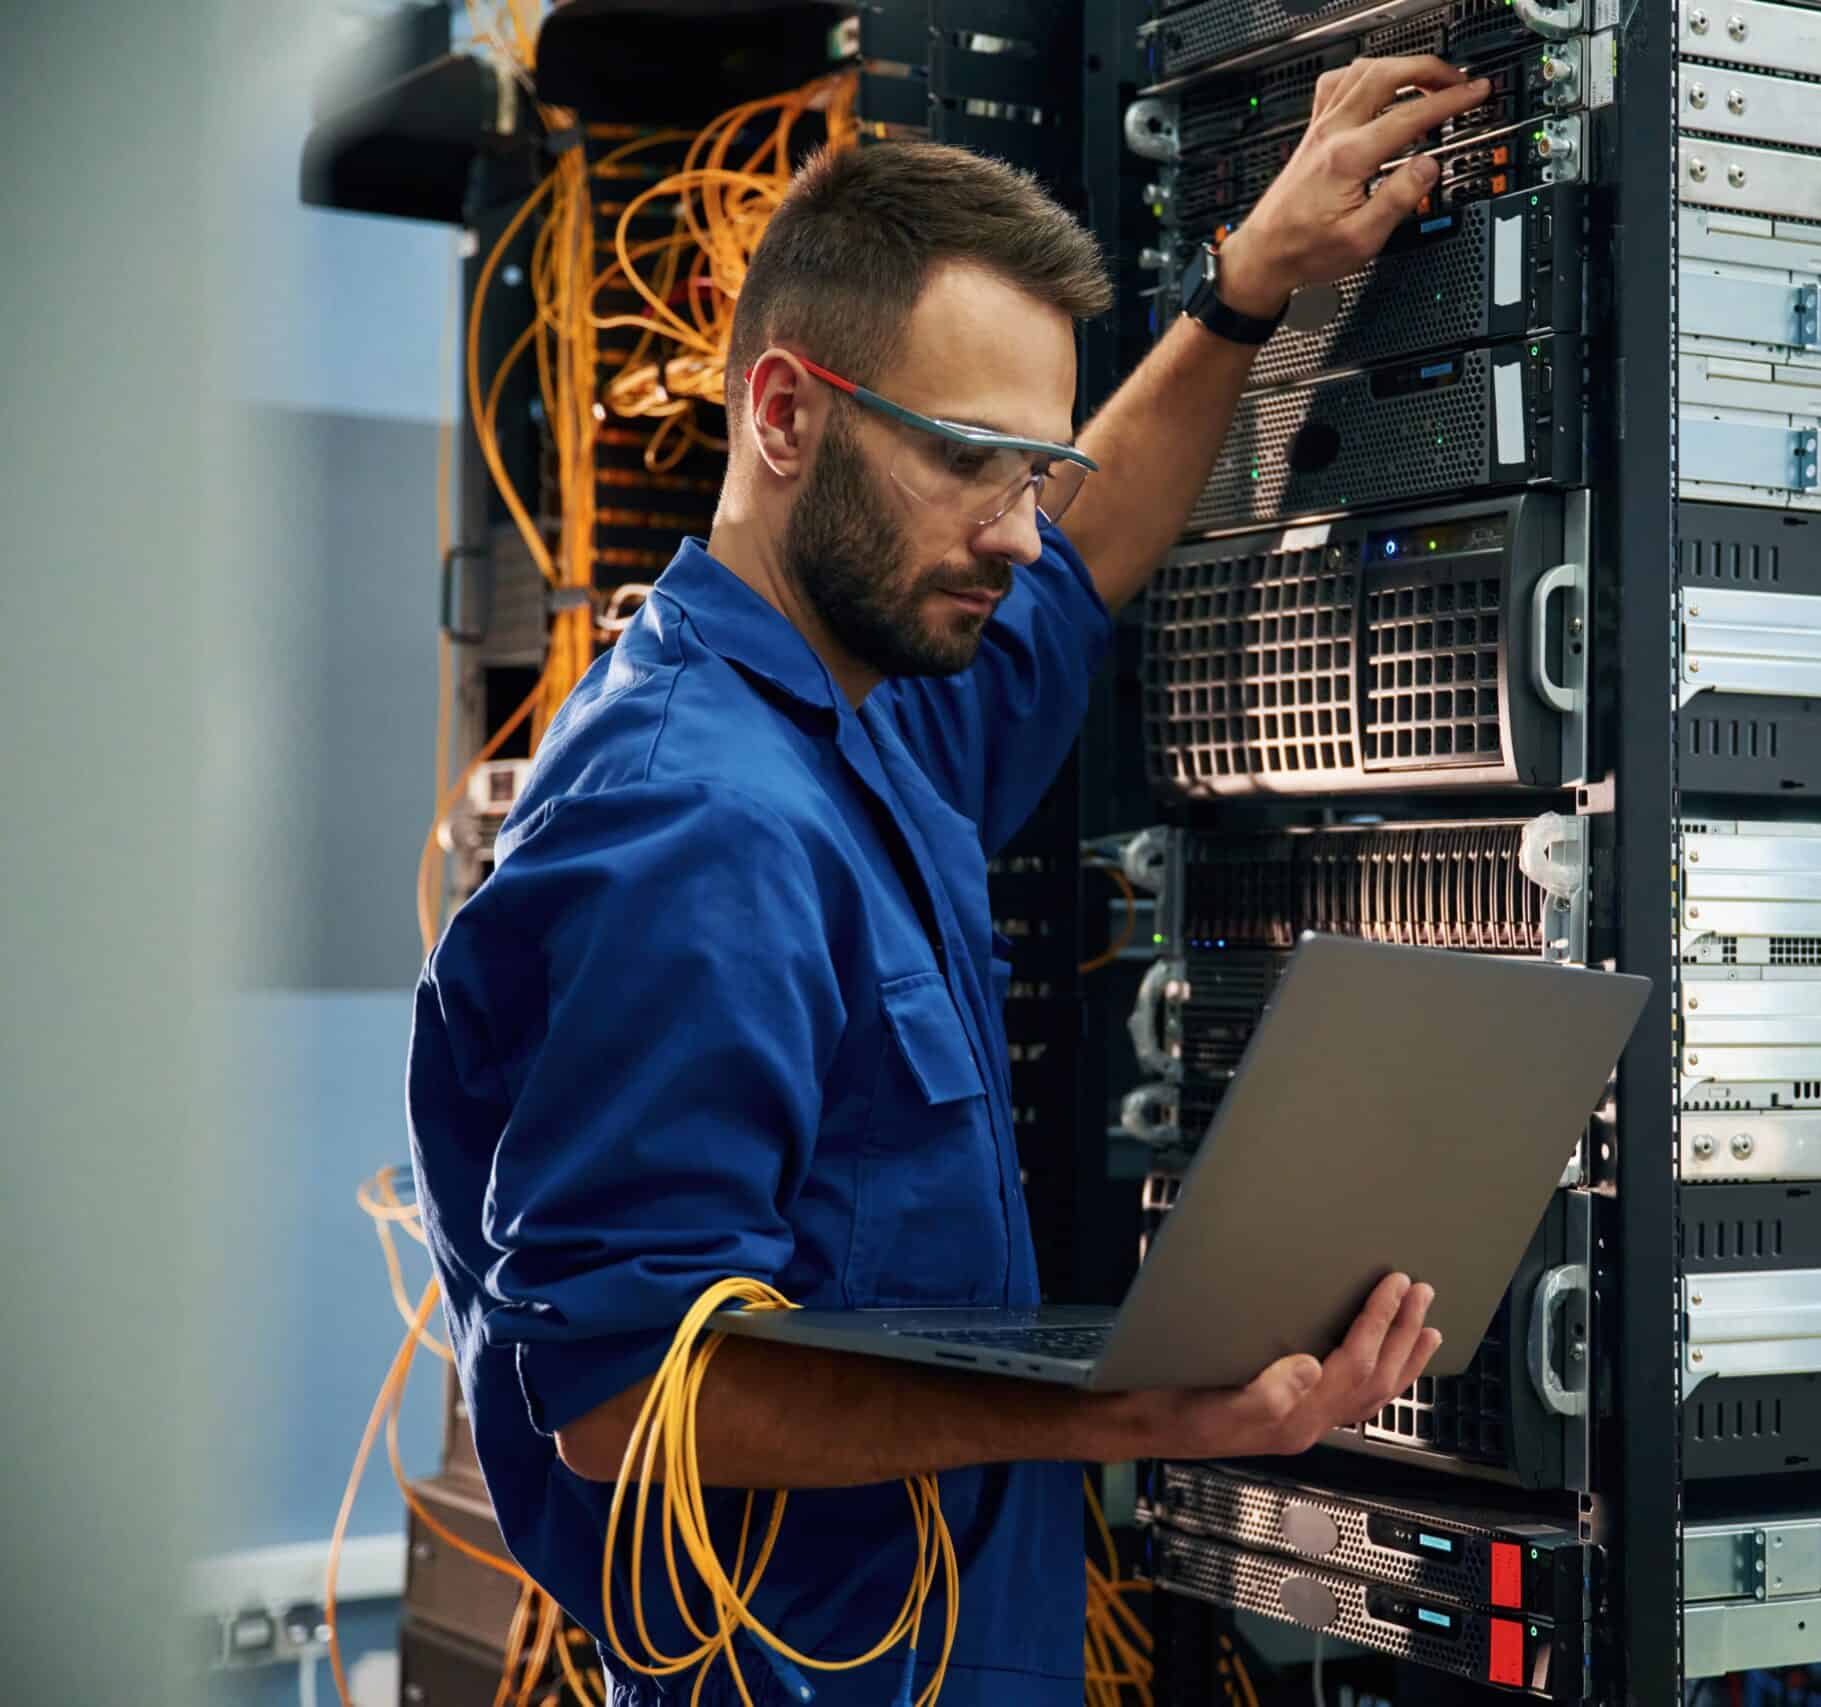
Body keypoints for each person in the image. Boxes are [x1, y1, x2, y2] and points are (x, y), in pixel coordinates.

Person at [408, 54, 1492, 1707]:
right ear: (784, 413)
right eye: (971, 461)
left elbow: (1081, 568)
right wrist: (1123, 1414)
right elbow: (627, 1401)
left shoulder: (863, 717)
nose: (1017, 529)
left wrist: (1240, 293)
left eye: (1030, 472)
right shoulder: (700, 829)